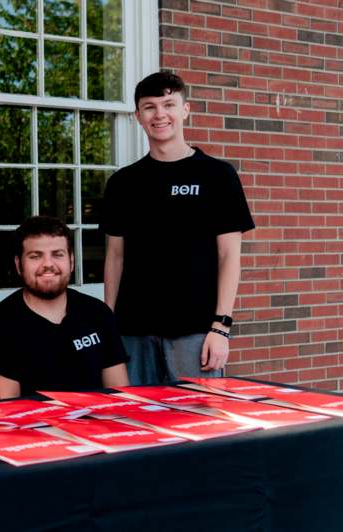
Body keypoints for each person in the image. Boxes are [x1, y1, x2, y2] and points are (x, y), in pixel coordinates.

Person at [101, 71, 255, 385]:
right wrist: (109, 326)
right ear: (138, 116)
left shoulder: (217, 176)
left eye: (169, 104)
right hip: (133, 333)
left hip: (196, 335)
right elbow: (115, 257)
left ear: (185, 110)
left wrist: (220, 328)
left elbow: (229, 257)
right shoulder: (123, 183)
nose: (160, 114)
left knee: (200, 428)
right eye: (149, 107)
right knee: (137, 426)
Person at [0, 216, 129, 400]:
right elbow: (8, 413)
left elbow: (121, 398)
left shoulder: (98, 314)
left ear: (71, 261)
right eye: (35, 256)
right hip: (33, 427)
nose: (48, 264)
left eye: (58, 254)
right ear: (19, 264)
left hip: (97, 425)